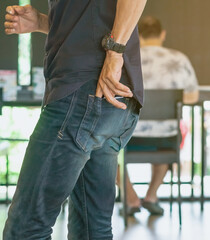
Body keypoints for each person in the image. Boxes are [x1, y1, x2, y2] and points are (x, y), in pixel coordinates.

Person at [3, 0, 146, 239]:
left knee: (25, 229)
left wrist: (115, 50)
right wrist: (41, 22)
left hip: (84, 92)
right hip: (108, 101)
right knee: (91, 231)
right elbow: (89, 17)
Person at [117, 16, 199, 216]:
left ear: (138, 36)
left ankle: (131, 198)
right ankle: (151, 196)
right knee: (170, 136)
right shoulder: (179, 59)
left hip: (130, 136)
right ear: (162, 35)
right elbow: (192, 97)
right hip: (166, 137)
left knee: (105, 147)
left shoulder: (126, 58)